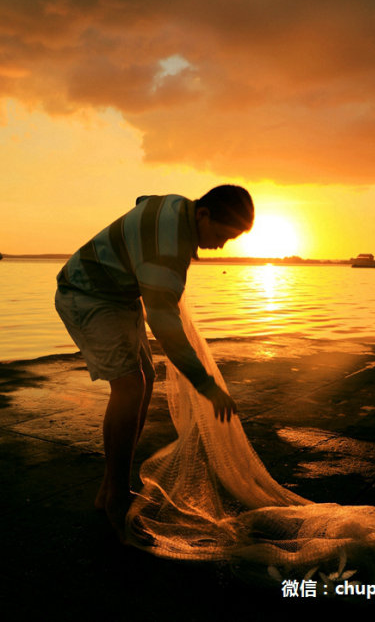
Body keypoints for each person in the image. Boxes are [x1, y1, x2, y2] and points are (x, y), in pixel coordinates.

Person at [54, 185, 254, 540]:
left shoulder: (177, 207)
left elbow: (144, 201)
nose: (220, 246)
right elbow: (164, 324)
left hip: (118, 294)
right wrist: (206, 385)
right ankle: (116, 498)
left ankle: (109, 490)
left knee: (142, 381)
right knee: (130, 387)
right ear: (203, 214)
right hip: (86, 294)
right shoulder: (168, 248)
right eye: (222, 236)